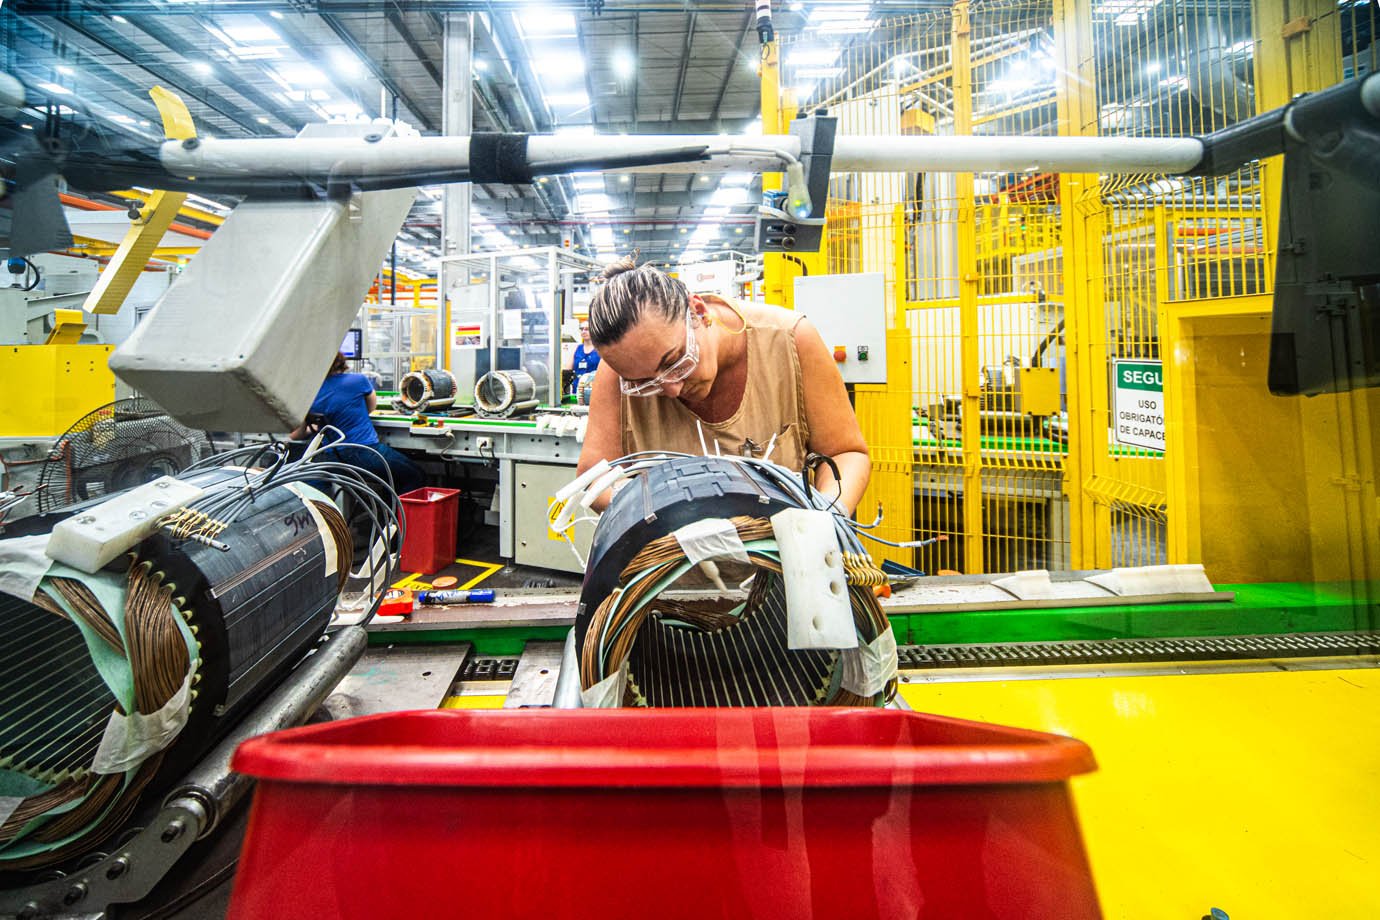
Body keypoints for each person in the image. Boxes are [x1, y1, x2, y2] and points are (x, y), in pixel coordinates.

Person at [576, 258, 870, 513]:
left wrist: (826, 517)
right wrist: (656, 508)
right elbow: (593, 476)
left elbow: (845, 454)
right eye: (645, 384)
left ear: (699, 311)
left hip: (783, 567)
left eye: (675, 362)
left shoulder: (790, 340)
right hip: (668, 570)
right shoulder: (619, 371)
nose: (672, 390)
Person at [293, 352, 426, 497]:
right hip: (364, 452)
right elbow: (371, 408)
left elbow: (295, 435)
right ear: (341, 362)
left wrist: (313, 429)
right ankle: (397, 517)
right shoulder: (358, 381)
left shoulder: (308, 391)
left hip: (329, 459)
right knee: (414, 474)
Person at [565, 320, 601, 393]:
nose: (583, 331)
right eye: (582, 329)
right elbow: (567, 369)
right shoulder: (576, 349)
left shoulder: (600, 349)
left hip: (595, 390)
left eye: (587, 329)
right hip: (578, 391)